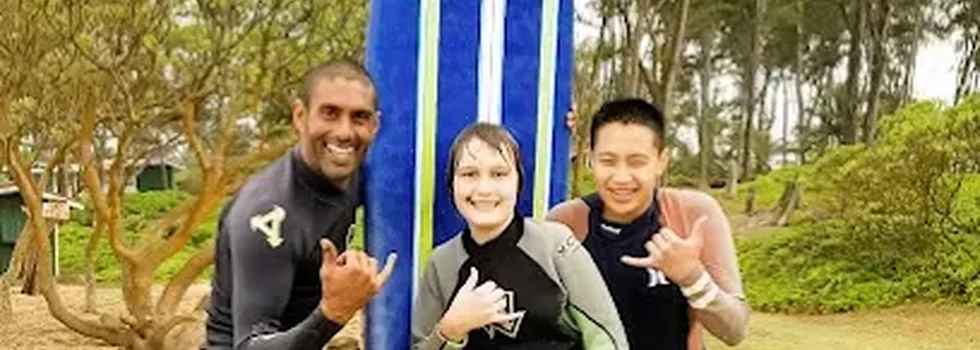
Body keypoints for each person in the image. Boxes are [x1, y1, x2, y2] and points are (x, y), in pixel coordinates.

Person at [203, 59, 397, 350]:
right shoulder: (267, 214)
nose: (344, 132)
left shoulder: (360, 174)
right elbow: (248, 345)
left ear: (375, 125)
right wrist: (335, 311)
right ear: (300, 116)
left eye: (359, 117)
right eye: (330, 114)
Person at [547, 98, 749, 349]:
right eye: (608, 161)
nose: (621, 177)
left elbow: (735, 329)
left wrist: (692, 277)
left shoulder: (692, 214)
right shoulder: (566, 223)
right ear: (591, 160)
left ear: (661, 161)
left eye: (636, 162)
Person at [412, 123, 629, 350]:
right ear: (452, 185)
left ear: (518, 183)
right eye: (469, 174)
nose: (484, 188)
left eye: (498, 174)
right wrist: (451, 329)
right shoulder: (441, 264)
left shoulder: (556, 247)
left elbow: (607, 338)